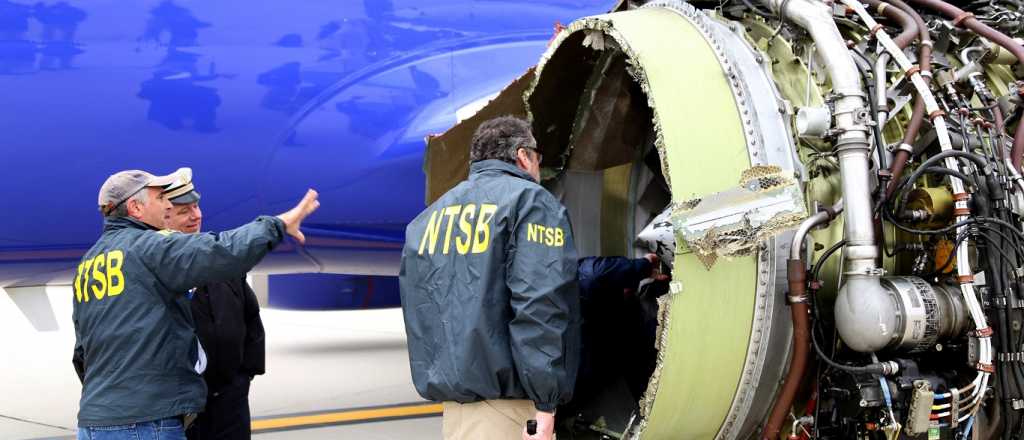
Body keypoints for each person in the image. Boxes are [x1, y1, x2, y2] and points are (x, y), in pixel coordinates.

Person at [72, 168, 319, 440]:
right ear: (135, 207)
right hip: (147, 420)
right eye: (160, 198)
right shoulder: (149, 247)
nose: (167, 204)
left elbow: (83, 350)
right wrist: (277, 225)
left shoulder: (89, 262)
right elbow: (223, 251)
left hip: (96, 421)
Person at [399, 115, 580, 440]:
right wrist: (546, 403)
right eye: (537, 157)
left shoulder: (428, 219)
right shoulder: (531, 203)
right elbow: (539, 304)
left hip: (455, 415)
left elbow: (423, 314)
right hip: (509, 413)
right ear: (523, 155)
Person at [161, 170, 265, 440]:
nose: (195, 216)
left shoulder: (221, 258)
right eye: (185, 211)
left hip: (229, 402)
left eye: (196, 206)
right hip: (178, 406)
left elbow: (251, 319)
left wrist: (244, 378)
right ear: (164, 215)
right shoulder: (152, 267)